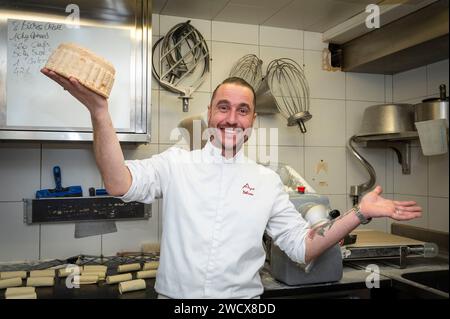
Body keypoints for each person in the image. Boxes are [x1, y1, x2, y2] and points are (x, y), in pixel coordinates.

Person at [41, 68, 422, 299]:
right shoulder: (177, 163)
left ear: (253, 121)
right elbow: (117, 182)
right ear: (210, 113)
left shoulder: (267, 181)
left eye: (243, 111)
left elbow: (303, 248)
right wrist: (100, 112)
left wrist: (359, 213)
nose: (232, 118)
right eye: (223, 107)